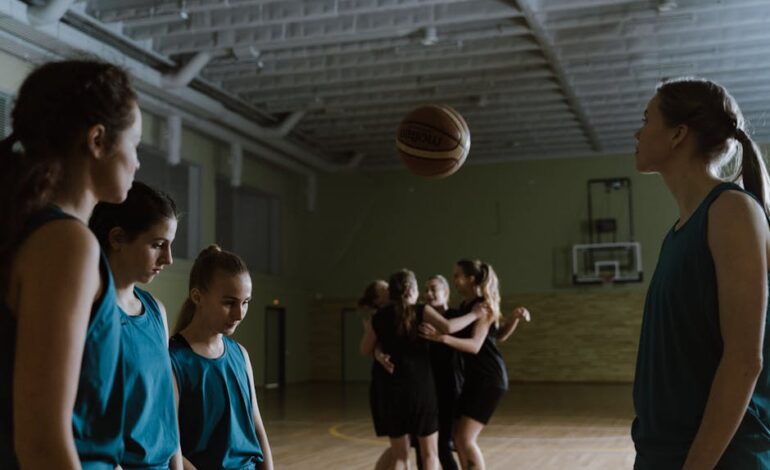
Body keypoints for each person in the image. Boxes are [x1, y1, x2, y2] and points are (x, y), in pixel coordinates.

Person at [0, 60, 141, 469]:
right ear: (97, 140)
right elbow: (42, 444)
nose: (137, 162)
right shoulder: (66, 245)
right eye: (135, 144)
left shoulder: (29, 232)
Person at [632, 78, 770, 469]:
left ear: (678, 134)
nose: (637, 132)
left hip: (719, 457)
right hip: (664, 450)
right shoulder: (679, 231)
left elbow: (745, 360)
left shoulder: (731, 211)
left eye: (646, 120)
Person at [89, 181, 182, 469]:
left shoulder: (157, 312)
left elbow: (165, 407)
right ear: (117, 238)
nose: (168, 258)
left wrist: (176, 463)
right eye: (157, 245)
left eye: (170, 246)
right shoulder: (90, 312)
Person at [361, 269, 485, 470]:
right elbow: (448, 327)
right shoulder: (421, 311)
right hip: (420, 389)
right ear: (410, 289)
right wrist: (475, 314)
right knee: (430, 454)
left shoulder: (379, 317)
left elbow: (365, 349)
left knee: (400, 456)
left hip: (391, 390)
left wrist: (377, 347)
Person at [170, 245, 273, 470]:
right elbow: (171, 446)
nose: (239, 314)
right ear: (197, 296)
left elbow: (257, 429)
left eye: (245, 302)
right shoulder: (173, 361)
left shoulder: (240, 355)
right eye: (229, 303)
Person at [421, 260, 529, 470]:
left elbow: (475, 346)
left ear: (470, 279)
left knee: (464, 439)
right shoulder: (466, 307)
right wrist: (513, 319)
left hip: (489, 378)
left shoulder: (483, 306)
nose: (455, 281)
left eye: (457, 276)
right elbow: (496, 336)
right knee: (458, 436)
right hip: (475, 378)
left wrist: (441, 338)